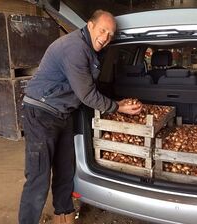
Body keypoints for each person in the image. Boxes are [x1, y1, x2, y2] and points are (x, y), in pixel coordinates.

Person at [18, 9, 142, 224]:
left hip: (63, 113)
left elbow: (91, 86)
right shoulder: (74, 47)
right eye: (103, 31)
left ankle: (63, 217)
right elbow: (86, 94)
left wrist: (116, 102)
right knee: (38, 177)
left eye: (110, 35)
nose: (105, 38)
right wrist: (117, 108)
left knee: (66, 170)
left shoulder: (92, 49)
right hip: (41, 113)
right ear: (90, 25)